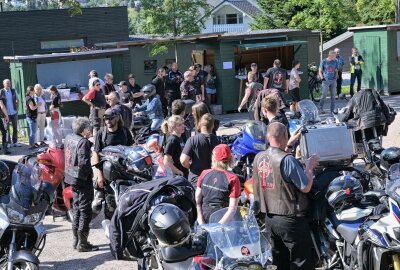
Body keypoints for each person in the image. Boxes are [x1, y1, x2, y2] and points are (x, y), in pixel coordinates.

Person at [252, 122, 319, 269]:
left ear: (268, 137)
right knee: (301, 262)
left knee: (279, 261)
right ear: (284, 135)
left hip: (269, 219)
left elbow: (278, 162)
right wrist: (309, 167)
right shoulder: (288, 160)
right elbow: (306, 187)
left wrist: (289, 145)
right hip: (291, 220)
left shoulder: (258, 158)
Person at [64, 117, 98, 252]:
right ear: (84, 130)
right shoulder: (82, 142)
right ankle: (82, 243)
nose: (89, 131)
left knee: (77, 208)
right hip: (82, 179)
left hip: (71, 178)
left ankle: (76, 241)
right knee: (85, 211)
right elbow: (84, 163)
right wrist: (91, 173)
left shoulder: (69, 137)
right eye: (88, 128)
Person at [92, 108, 134, 219]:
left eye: (110, 118)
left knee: (127, 202)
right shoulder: (101, 133)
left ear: (117, 118)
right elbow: (96, 154)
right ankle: (111, 229)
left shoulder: (125, 131)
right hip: (108, 176)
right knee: (110, 205)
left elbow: (131, 151)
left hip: (124, 175)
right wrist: (99, 176)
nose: (108, 121)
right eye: (106, 118)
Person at [196, 144, 240, 224]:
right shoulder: (233, 178)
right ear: (230, 159)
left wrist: (200, 220)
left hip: (204, 216)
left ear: (214, 158)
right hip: (223, 220)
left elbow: (198, 201)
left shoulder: (204, 173)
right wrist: (218, 226)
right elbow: (232, 209)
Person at [180, 113, 220, 185]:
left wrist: (191, 167)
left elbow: (183, 160)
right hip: (214, 179)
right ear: (213, 125)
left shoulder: (192, 140)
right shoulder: (217, 140)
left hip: (197, 179)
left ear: (200, 124)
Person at [0, 79, 20, 148]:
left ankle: (15, 142)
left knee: (15, 127)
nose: (8, 84)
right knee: (7, 129)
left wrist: (17, 109)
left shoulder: (13, 91)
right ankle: (8, 143)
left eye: (9, 83)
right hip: (6, 114)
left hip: (14, 112)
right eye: (7, 83)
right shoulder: (1, 92)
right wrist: (3, 113)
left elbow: (18, 100)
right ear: (4, 84)